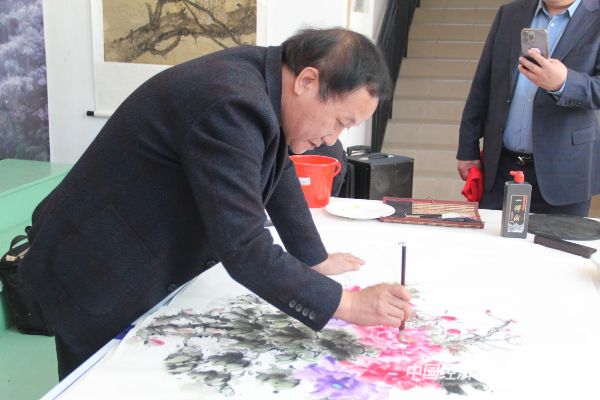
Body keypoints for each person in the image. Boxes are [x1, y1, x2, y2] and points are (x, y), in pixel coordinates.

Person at [19, 28, 412, 379]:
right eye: (340, 121)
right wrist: (348, 304)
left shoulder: (264, 84)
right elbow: (244, 247)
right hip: (98, 266)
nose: (333, 139)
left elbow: (277, 168)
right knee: (103, 383)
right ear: (307, 81)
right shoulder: (231, 103)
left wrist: (313, 259)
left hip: (133, 249)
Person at [457, 0, 600, 216]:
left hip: (566, 174)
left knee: (556, 240)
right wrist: (468, 148)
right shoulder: (510, 13)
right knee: (493, 238)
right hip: (501, 170)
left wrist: (564, 83)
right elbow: (482, 84)